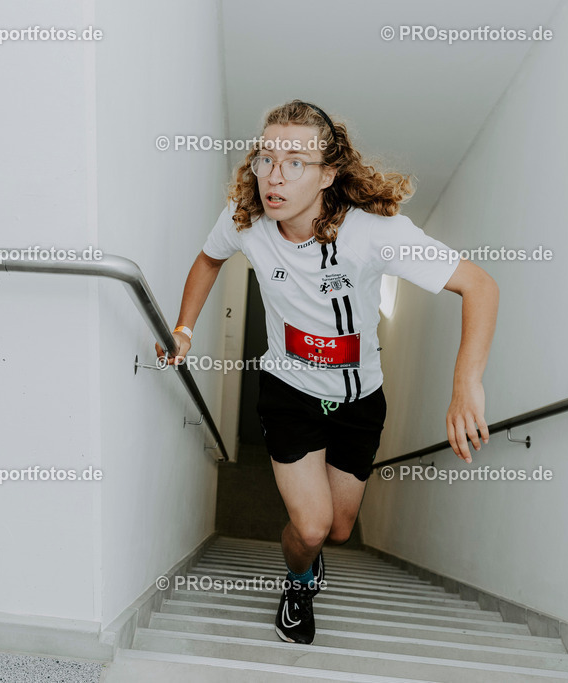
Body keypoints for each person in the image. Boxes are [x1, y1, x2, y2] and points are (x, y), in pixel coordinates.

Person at [155, 100, 499, 645]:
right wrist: (185, 329)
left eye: (295, 161)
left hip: (360, 400)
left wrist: (465, 385)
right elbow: (208, 259)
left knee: (338, 530)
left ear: (327, 174)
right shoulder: (244, 218)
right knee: (311, 528)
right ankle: (297, 581)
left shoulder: (371, 232)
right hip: (287, 392)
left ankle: (315, 558)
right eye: (266, 157)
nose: (274, 175)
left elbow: (479, 286)